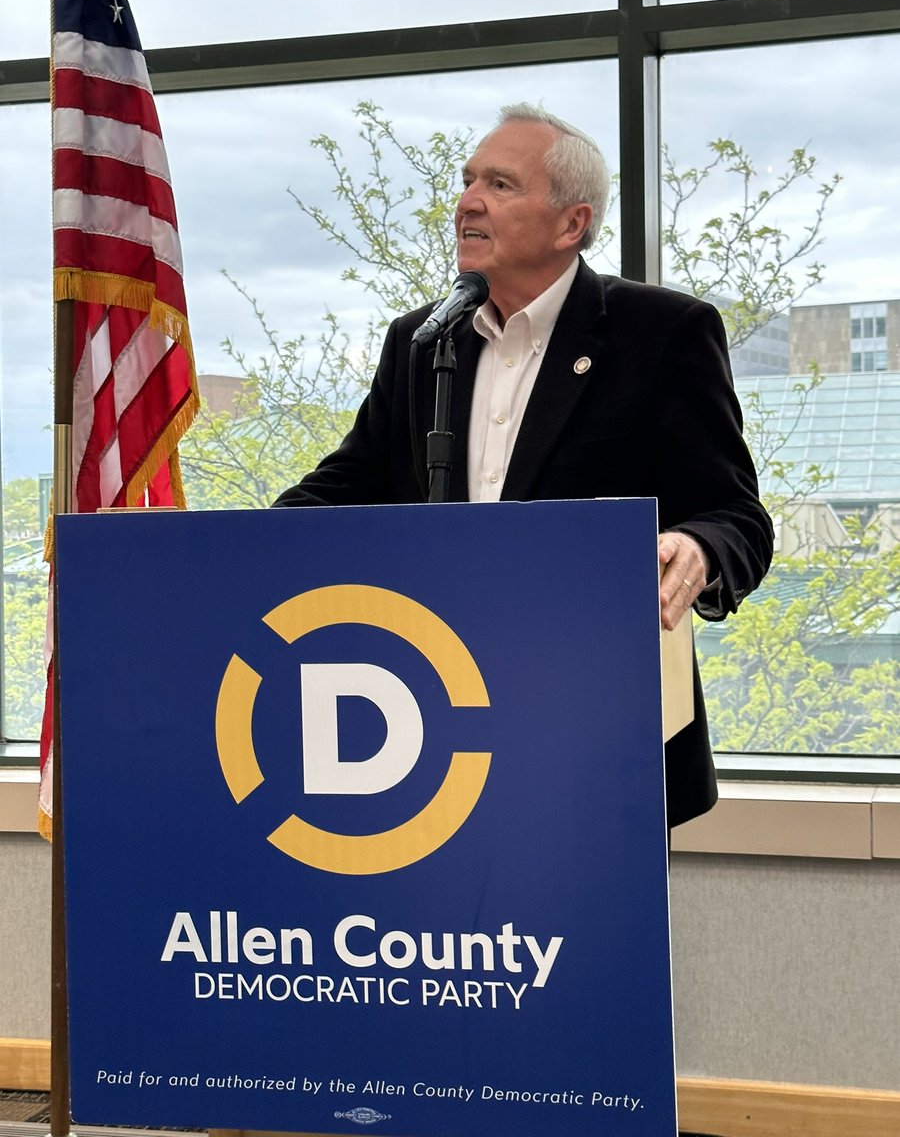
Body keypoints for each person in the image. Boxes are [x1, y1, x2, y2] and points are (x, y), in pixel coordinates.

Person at [273, 103, 774, 828]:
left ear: (572, 223)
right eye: (469, 180)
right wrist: (233, 549)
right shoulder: (422, 341)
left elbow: (736, 516)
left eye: (500, 185)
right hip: (423, 729)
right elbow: (346, 486)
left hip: (594, 732)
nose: (468, 202)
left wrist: (698, 548)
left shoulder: (663, 334)